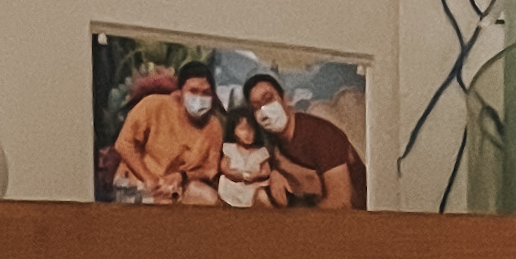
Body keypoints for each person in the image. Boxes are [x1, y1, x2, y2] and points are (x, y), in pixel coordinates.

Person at [237, 68, 366, 207]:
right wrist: (275, 174)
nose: (264, 111)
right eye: (256, 107)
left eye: (268, 99)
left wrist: (300, 225)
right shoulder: (272, 141)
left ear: (285, 100)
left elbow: (341, 201)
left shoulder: (321, 134)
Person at [106, 58, 224, 205]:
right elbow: (124, 144)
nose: (199, 98)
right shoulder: (153, 105)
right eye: (193, 91)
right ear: (180, 91)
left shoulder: (213, 126)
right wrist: (150, 179)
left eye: (205, 93)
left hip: (178, 187)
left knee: (211, 201)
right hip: (136, 182)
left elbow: (210, 169)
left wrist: (183, 176)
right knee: (162, 209)